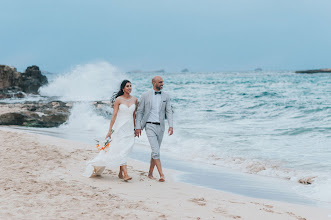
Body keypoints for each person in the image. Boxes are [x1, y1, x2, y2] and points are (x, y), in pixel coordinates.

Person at [84, 80, 137, 181]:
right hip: (119, 128)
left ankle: (121, 173)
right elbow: (114, 115)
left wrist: (134, 128)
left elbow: (134, 115)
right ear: (123, 88)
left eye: (130, 86)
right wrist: (109, 131)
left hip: (129, 129)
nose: (130, 88)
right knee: (121, 149)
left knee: (126, 149)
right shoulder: (118, 100)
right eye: (127, 86)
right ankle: (125, 174)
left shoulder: (135, 99)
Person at [135, 76, 173, 182]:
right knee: (156, 151)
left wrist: (171, 125)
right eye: (160, 82)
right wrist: (138, 127)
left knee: (155, 151)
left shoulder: (166, 96)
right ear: (154, 83)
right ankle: (161, 175)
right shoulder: (145, 95)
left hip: (161, 127)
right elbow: (140, 112)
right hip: (149, 125)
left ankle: (150, 173)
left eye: (162, 82)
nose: (162, 84)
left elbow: (168, 111)